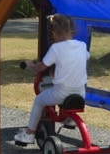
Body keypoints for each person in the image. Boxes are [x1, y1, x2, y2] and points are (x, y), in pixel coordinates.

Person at [14, 14, 90, 144]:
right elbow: (86, 56)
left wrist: (29, 65)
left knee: (39, 100)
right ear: (72, 30)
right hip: (80, 94)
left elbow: (40, 67)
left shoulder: (56, 48)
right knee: (64, 91)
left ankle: (29, 134)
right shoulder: (82, 46)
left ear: (54, 33)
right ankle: (68, 119)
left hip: (61, 93)